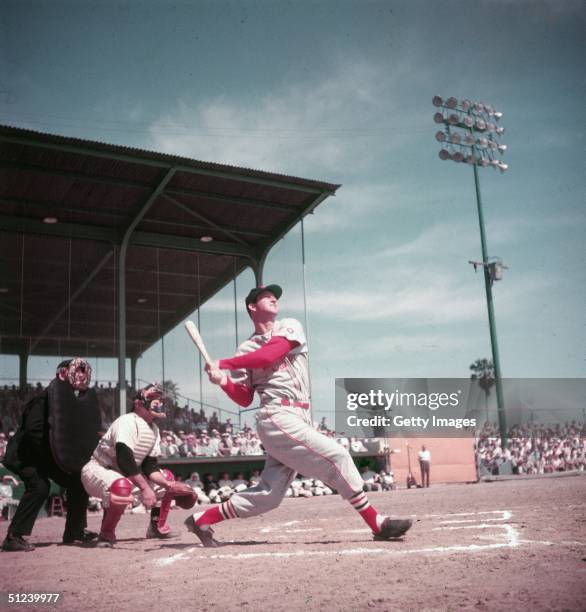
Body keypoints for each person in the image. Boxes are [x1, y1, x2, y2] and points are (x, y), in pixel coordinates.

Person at [184, 284, 412, 547]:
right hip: (276, 415)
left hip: (299, 416)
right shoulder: (245, 349)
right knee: (337, 455)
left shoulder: (288, 326)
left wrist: (224, 364)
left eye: (274, 295)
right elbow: (244, 397)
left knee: (269, 496)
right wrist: (222, 381)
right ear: (251, 306)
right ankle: (377, 523)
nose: (273, 297)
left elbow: (270, 354)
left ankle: (202, 519)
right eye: (265, 296)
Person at [2, 359, 101, 552]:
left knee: (78, 482)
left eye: (84, 371)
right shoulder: (43, 399)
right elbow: (33, 432)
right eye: (77, 370)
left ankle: (75, 532)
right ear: (62, 374)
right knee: (40, 486)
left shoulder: (73, 404)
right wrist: (56, 460)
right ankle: (13, 537)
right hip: (26, 455)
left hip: (49, 457)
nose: (81, 375)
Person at [81, 383, 196, 547]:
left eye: (159, 399)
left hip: (123, 474)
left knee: (166, 479)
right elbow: (124, 458)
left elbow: (150, 467)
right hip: (98, 469)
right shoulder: (128, 420)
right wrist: (145, 489)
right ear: (138, 403)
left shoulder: (154, 429)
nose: (157, 402)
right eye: (152, 398)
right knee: (121, 486)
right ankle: (106, 534)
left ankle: (156, 527)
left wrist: (168, 484)